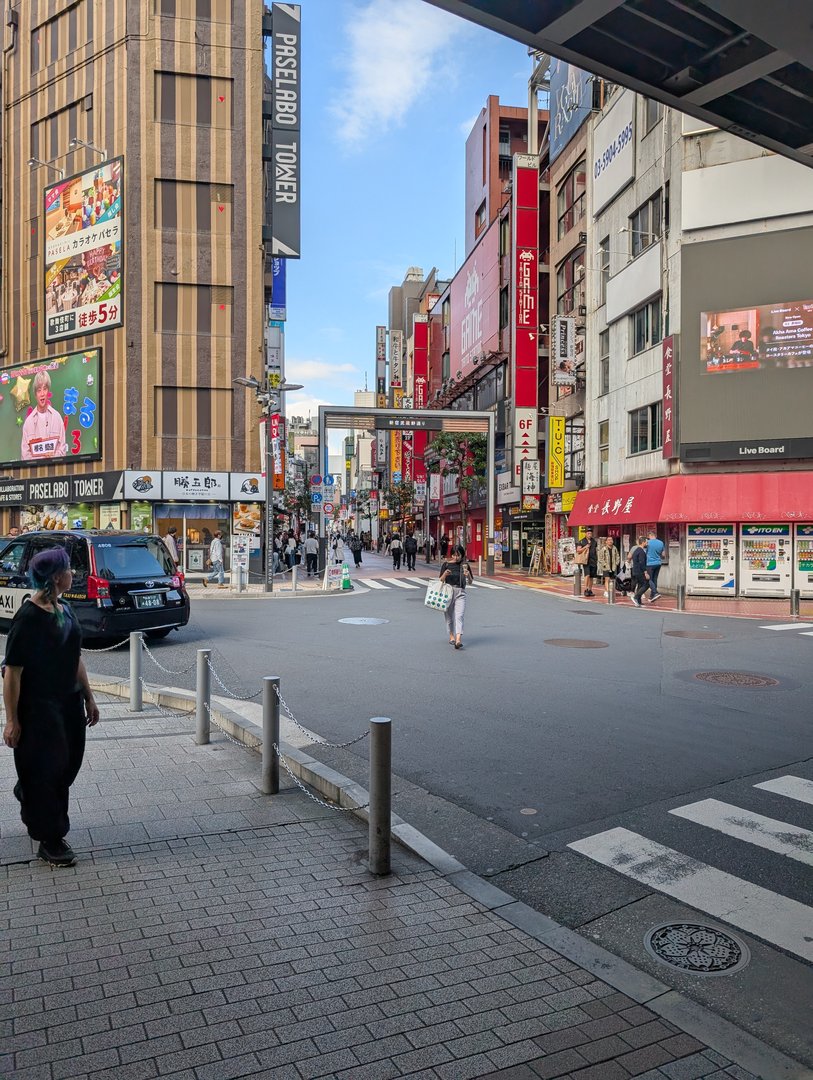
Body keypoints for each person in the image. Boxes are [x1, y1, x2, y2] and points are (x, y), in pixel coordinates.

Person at [2, 547, 99, 867]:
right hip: (39, 709)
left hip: (68, 704)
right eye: (70, 569)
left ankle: (28, 791)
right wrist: (12, 720)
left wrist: (88, 696)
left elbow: (76, 658)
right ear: (58, 577)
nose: (74, 573)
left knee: (68, 766)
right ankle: (51, 838)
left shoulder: (66, 609)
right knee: (50, 772)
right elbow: (12, 672)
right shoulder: (28, 617)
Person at [21, 369, 68, 461]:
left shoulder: (57, 417)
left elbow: (62, 451)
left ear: (48, 391)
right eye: (39, 390)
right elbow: (24, 455)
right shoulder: (28, 422)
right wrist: (41, 459)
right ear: (35, 394)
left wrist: (52, 457)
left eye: (45, 389)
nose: (42, 394)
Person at [439, 544, 473, 649]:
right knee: (449, 617)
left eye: (458, 555)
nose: (456, 557)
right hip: (448, 592)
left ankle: (458, 639)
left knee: (459, 616)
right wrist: (445, 574)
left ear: (462, 555)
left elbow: (471, 582)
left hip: (460, 592)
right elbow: (440, 580)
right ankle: (451, 636)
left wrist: (468, 576)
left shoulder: (465, 565)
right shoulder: (446, 565)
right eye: (454, 555)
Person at [575, 527, 598, 597]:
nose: (589, 534)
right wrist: (585, 547)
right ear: (585, 534)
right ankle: (586, 589)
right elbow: (578, 550)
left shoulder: (594, 541)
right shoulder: (582, 541)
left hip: (593, 560)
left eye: (590, 533)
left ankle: (590, 589)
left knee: (592, 576)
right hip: (586, 561)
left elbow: (596, 550)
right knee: (587, 575)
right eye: (588, 533)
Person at [645, 528, 665, 602]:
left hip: (649, 563)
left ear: (650, 535)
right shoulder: (661, 543)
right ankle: (652, 595)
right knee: (655, 579)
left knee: (649, 579)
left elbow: (645, 553)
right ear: (655, 535)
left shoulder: (648, 543)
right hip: (658, 563)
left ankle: (655, 593)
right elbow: (663, 555)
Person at [629, 536, 649, 607]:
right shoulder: (641, 551)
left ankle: (639, 601)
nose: (647, 543)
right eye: (646, 542)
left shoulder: (636, 550)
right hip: (639, 571)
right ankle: (636, 597)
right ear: (643, 542)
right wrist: (645, 572)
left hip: (635, 570)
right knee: (646, 584)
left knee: (640, 585)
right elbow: (641, 562)